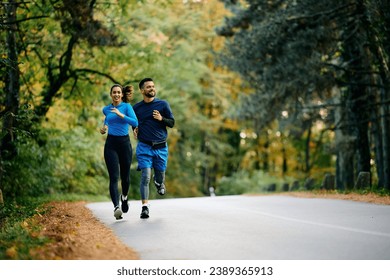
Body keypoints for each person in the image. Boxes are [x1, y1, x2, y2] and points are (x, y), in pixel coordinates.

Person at [133, 78, 175, 219]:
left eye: (153, 86)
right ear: (142, 90)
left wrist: (161, 119)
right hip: (144, 146)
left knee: (159, 176)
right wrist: (134, 129)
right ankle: (145, 207)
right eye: (148, 87)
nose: (152, 88)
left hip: (161, 147)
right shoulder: (137, 108)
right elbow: (134, 122)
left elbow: (172, 123)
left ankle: (159, 182)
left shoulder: (163, 104)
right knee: (145, 176)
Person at [100, 84, 138, 220]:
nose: (116, 94)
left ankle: (125, 197)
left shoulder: (127, 107)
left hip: (124, 144)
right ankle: (116, 207)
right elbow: (107, 120)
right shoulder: (106, 109)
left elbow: (135, 122)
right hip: (111, 144)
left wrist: (121, 115)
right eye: (114, 92)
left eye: (118, 92)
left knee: (125, 178)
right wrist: (103, 128)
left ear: (122, 95)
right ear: (111, 94)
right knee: (114, 177)